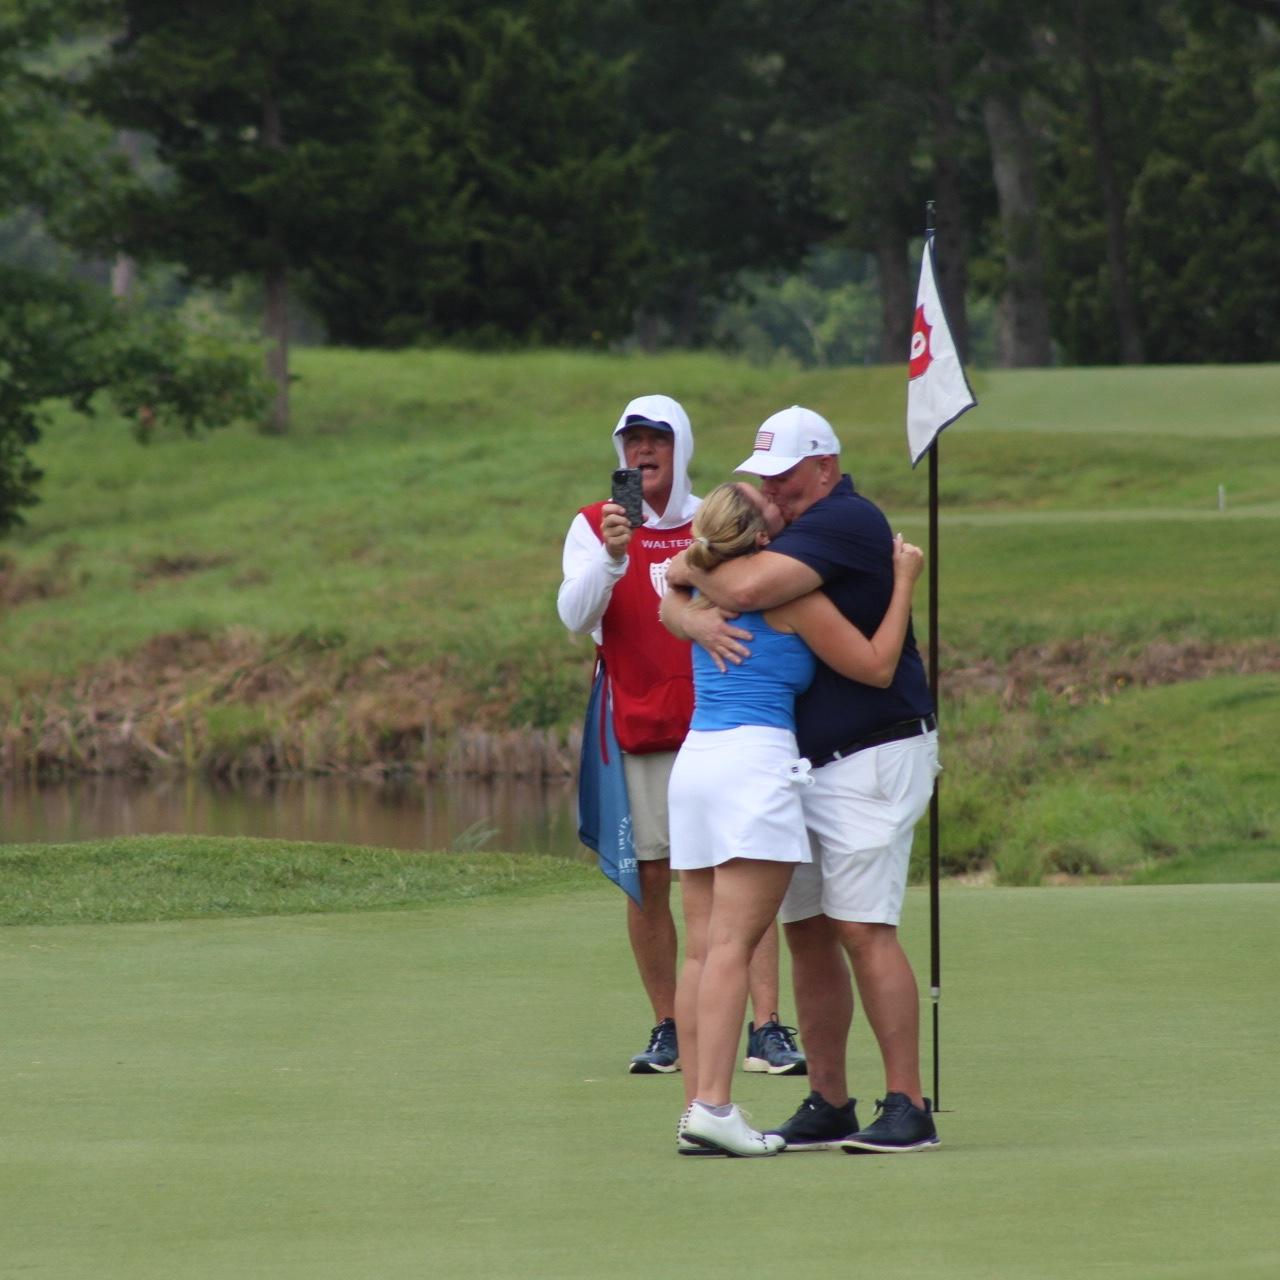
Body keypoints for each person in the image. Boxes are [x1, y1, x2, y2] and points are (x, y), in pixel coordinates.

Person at [665, 405, 941, 1153]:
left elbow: (742, 588)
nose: (776, 494)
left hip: (872, 751)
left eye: (785, 480)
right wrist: (684, 603)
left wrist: (687, 577)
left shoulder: (844, 520)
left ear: (824, 466)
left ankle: (909, 1105)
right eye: (765, 483)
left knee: (860, 925)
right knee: (808, 930)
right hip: (797, 767)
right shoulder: (789, 529)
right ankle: (828, 1099)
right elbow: (698, 576)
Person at [557, 395, 805, 1076]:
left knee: (742, 870)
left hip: (722, 722)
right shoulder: (594, 526)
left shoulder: (717, 520)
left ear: (680, 445)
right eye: (632, 440)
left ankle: (769, 1027)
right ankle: (669, 1023)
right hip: (635, 720)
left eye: (656, 438)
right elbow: (575, 618)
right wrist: (612, 559)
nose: (644, 451)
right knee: (650, 877)